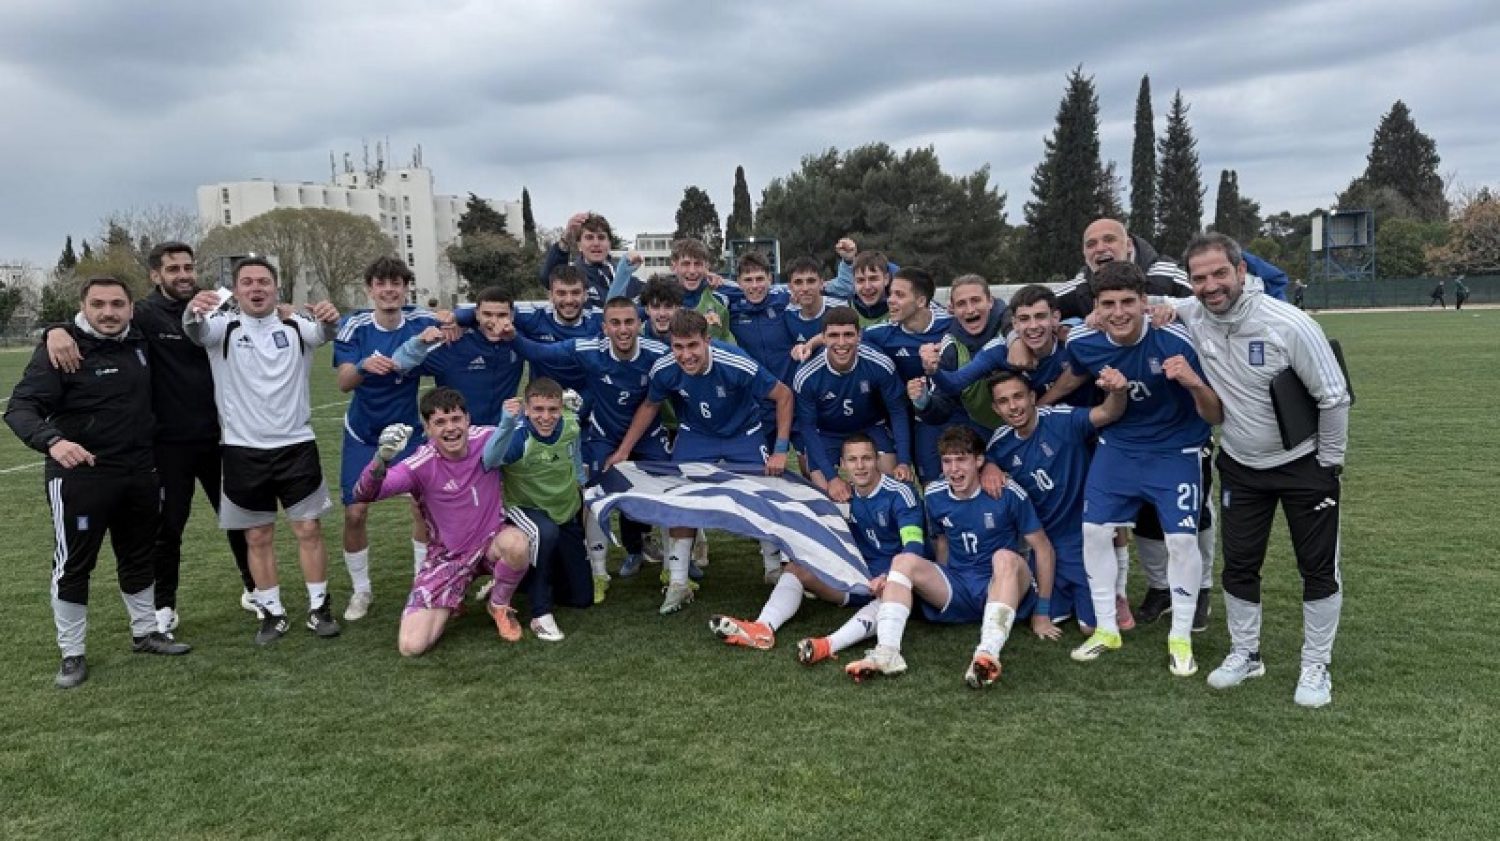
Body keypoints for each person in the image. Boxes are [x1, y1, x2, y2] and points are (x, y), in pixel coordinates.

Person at [1172, 232, 1350, 707]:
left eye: (1220, 274)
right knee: (1240, 565)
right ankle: (1246, 654)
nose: (1211, 286)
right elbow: (1145, 305)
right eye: (1199, 278)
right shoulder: (1193, 314)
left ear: (1241, 271)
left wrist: (1329, 464)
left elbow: (1334, 397)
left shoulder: (1288, 323)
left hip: (1304, 466)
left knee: (1317, 568)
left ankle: (1316, 664)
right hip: (1240, 467)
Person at [43, 242, 256, 633]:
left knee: (239, 518)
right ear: (156, 275)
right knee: (167, 528)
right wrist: (53, 330)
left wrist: (287, 311)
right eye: (173, 269)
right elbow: (94, 321)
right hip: (167, 444)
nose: (183, 275)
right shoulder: (142, 314)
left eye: (188, 267)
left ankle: (254, 588)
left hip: (223, 437)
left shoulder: (218, 305)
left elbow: (261, 312)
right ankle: (164, 605)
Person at [7, 277, 192, 688]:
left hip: (139, 472)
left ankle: (145, 633)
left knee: (139, 556)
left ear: (131, 308)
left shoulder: (140, 339)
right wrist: (53, 441)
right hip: (82, 478)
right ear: (83, 307)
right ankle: (72, 653)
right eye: (98, 304)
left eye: (117, 304)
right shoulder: (62, 348)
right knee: (74, 563)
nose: (108, 313)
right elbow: (20, 408)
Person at [1056, 261, 1223, 676]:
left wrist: (1191, 381)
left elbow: (1214, 413)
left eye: (1127, 302)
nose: (1118, 312)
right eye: (1108, 304)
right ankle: (1106, 628)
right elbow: (1074, 375)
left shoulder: (1176, 339)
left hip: (1176, 449)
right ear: (1096, 307)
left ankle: (1180, 637)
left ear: (1144, 301)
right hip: (1119, 448)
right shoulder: (1084, 341)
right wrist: (1042, 403)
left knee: (1181, 541)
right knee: (1094, 531)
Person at [183, 257, 343, 646]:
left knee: (309, 528)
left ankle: (319, 607)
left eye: (264, 282)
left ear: (276, 288)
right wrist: (192, 310)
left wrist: (329, 316)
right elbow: (194, 330)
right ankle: (272, 612)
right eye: (247, 282)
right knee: (256, 535)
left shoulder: (295, 326)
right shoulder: (223, 328)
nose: (256, 288)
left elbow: (325, 332)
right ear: (236, 291)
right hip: (242, 450)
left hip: (296, 445)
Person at [607, 310, 795, 612]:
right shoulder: (665, 368)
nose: (686, 355)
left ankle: (773, 569)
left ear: (707, 340)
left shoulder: (734, 362)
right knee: (682, 498)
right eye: (678, 347)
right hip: (697, 434)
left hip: (742, 432)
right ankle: (678, 583)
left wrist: (781, 449)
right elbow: (650, 405)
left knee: (765, 492)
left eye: (692, 345)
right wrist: (623, 450)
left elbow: (784, 395)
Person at [845, 426, 1058, 689]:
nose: (954, 469)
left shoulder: (1007, 492)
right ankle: (887, 652)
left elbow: (1043, 548)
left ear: (979, 461)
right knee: (902, 561)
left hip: (1000, 585)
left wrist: (1042, 612)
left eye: (962, 460)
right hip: (960, 586)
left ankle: (987, 653)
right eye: (947, 461)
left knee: (1004, 557)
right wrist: (933, 584)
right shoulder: (934, 495)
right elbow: (942, 542)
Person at [495, 297, 671, 592]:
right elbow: (541, 353)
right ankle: (599, 573)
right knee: (594, 496)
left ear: (639, 324)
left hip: (649, 436)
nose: (623, 329)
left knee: (668, 496)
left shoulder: (658, 353)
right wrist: (513, 336)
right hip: (604, 435)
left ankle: (674, 570)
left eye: (629, 322)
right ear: (604, 328)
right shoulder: (589, 349)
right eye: (615, 323)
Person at [707, 434, 925, 662]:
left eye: (866, 458)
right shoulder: (844, 496)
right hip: (859, 578)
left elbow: (914, 547)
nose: (860, 466)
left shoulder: (899, 493)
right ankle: (763, 628)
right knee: (796, 568)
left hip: (896, 581)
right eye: (853, 460)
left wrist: (888, 576)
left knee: (888, 594)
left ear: (877, 460)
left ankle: (828, 645)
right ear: (842, 464)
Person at [351, 388, 531, 655]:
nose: (450, 428)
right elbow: (364, 493)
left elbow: (530, 426)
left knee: (517, 544)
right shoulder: (420, 463)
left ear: (468, 419)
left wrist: (559, 406)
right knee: (411, 646)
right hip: (448, 558)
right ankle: (453, 595)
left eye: (456, 419)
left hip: (491, 543)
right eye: (440, 422)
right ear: (427, 428)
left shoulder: (487, 439)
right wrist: (382, 458)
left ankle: (499, 604)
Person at [335, 256, 441, 622]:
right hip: (363, 433)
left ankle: (421, 582)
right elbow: (343, 381)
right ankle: (361, 590)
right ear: (370, 289)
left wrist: (450, 322)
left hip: (408, 432)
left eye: (396, 283)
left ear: (406, 288)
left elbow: (455, 320)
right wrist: (363, 366)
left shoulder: (420, 321)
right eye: (381, 283)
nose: (389, 290)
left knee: (421, 507)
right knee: (355, 511)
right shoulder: (356, 325)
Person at [982, 371, 1128, 634]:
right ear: (995, 409)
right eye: (1003, 401)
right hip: (1044, 543)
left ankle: (1115, 592)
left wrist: (1118, 391)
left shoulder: (1062, 420)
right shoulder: (1000, 443)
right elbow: (984, 460)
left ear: (1032, 397)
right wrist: (989, 467)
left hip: (1082, 537)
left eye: (1018, 397)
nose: (1013, 406)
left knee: (1090, 627)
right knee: (1047, 613)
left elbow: (1108, 413)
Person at [484, 381, 591, 642]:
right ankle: (540, 614)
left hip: (564, 509)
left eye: (552, 409)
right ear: (527, 409)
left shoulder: (570, 423)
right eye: (538, 409)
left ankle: (513, 578)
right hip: (527, 509)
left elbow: (575, 450)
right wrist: (506, 424)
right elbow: (489, 461)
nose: (546, 417)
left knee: (581, 598)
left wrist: (581, 482)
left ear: (561, 407)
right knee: (546, 533)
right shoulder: (518, 437)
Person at [790, 307, 913, 497]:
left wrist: (904, 461)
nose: (841, 343)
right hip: (827, 433)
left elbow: (897, 411)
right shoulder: (806, 375)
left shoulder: (878, 363)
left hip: (869, 427)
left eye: (848, 334)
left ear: (859, 336)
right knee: (825, 490)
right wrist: (832, 477)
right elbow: (808, 428)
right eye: (834, 335)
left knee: (891, 481)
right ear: (823, 338)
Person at [862, 267, 953, 482]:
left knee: (938, 478)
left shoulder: (950, 326)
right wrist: (809, 345)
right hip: (898, 414)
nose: (890, 300)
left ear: (921, 301)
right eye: (890, 294)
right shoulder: (881, 333)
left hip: (942, 416)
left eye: (900, 295)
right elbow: (843, 337)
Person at [399, 286, 523, 425]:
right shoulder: (452, 343)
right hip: (460, 434)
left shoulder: (519, 341)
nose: (494, 321)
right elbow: (402, 366)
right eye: (487, 314)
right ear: (477, 314)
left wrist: (459, 316)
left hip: (504, 432)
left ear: (512, 316)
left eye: (502, 315)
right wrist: (419, 342)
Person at [915, 274, 1009, 436]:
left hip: (1033, 421)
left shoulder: (1012, 328)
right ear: (952, 309)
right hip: (984, 428)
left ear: (990, 301)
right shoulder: (950, 345)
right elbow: (944, 402)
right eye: (961, 304)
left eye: (976, 300)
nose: (970, 310)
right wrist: (923, 402)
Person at [1053, 218, 1193, 320]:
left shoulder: (1167, 276)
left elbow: (1203, 304)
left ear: (1129, 245)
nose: (1100, 248)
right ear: (1084, 254)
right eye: (1091, 244)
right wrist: (1071, 325)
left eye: (1109, 240)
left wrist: (1173, 309)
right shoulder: (1081, 287)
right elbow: (1042, 308)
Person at [539, 212, 636, 309]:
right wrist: (566, 239)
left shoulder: (626, 279)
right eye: (589, 238)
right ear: (579, 245)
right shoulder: (571, 276)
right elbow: (548, 279)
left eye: (601, 237)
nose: (596, 243)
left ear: (609, 244)